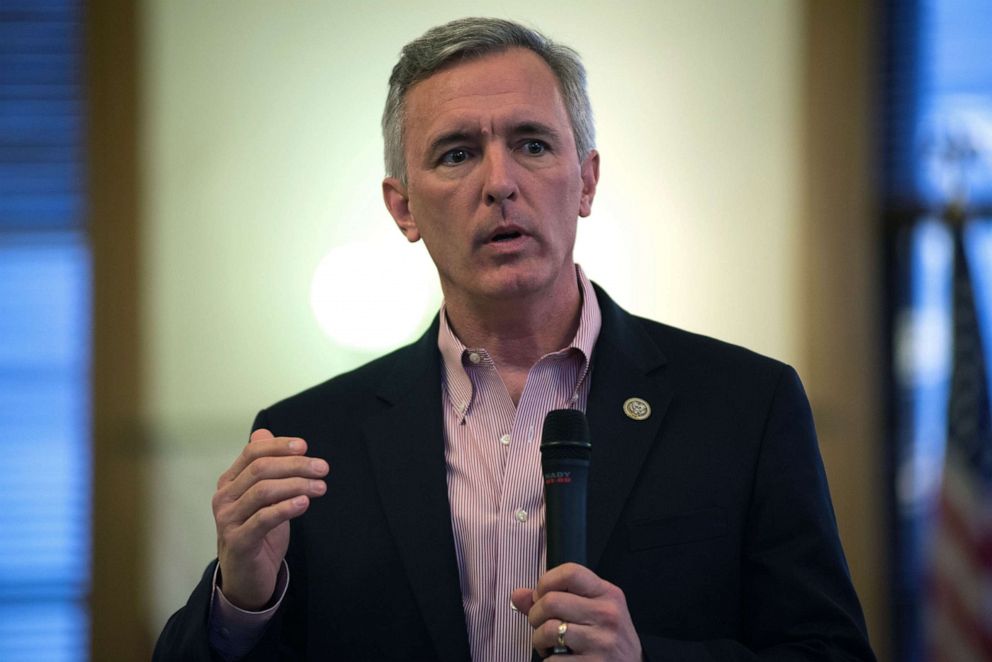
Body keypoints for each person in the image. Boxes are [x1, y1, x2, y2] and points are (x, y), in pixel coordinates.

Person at [154, 17, 875, 662]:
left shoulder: (745, 405)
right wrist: (242, 602)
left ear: (586, 183)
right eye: (457, 154)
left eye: (531, 144)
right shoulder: (310, 442)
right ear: (402, 207)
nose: (500, 183)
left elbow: (831, 651)